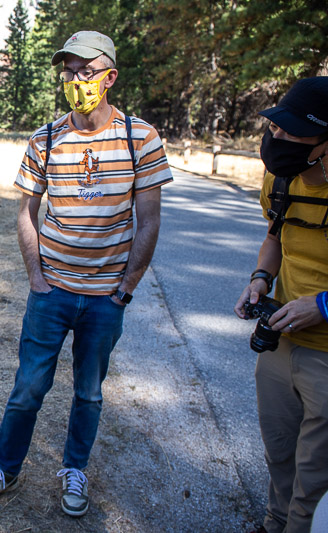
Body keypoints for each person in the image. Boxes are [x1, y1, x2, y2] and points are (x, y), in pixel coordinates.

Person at [0, 30, 173, 517]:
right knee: (28, 389)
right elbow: (25, 213)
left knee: (89, 392)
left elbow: (151, 220)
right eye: (68, 70)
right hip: (50, 293)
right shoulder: (46, 137)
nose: (76, 80)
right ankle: (5, 469)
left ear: (110, 76)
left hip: (105, 299)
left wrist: (125, 290)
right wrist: (36, 278)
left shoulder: (140, 137)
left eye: (86, 70)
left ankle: (74, 469)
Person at [234, 77, 328, 533]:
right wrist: (259, 279)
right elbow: (275, 237)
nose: (280, 141)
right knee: (279, 449)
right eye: (277, 129)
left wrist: (324, 305)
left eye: (295, 134)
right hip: (281, 338)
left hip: (326, 355)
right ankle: (274, 523)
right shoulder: (278, 178)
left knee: (316, 475)